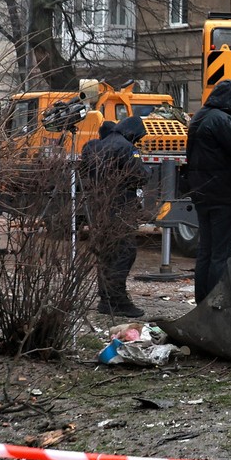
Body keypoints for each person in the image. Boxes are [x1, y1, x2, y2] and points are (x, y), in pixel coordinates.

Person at [186, 79, 231, 302]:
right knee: (222, 253)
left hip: (202, 192)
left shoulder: (200, 116)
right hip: (223, 194)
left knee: (206, 251)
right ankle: (217, 304)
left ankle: (203, 303)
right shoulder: (220, 119)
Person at [81, 115, 149, 317]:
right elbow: (139, 175)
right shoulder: (127, 148)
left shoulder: (97, 146)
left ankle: (106, 298)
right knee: (124, 252)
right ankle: (118, 300)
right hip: (120, 206)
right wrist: (147, 173)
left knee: (107, 253)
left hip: (99, 206)